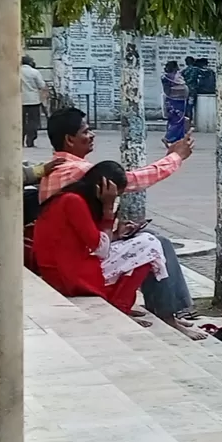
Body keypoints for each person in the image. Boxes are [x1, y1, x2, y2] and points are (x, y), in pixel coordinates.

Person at [43, 108, 200, 334]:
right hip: (73, 264)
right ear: (69, 139)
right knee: (155, 244)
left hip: (69, 253)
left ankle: (166, 309)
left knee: (149, 240)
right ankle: (168, 312)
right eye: (86, 131)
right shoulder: (78, 172)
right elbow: (133, 180)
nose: (92, 135)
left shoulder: (59, 168)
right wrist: (175, 157)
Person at [33, 161, 166, 316]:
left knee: (144, 244)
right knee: (149, 244)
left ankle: (123, 303)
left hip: (64, 269)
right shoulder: (73, 202)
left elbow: (91, 240)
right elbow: (101, 249)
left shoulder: (69, 197)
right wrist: (108, 210)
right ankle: (122, 305)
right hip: (69, 275)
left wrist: (116, 233)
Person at [21, 56, 48, 147]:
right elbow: (41, 85)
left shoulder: (17, 71)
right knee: (33, 121)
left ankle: (20, 140)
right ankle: (30, 141)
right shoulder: (34, 72)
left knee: (21, 121)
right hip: (33, 100)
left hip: (20, 100)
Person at [161, 61, 189, 143]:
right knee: (177, 120)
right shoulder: (170, 77)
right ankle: (169, 137)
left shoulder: (167, 77)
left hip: (175, 100)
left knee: (175, 120)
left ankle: (179, 138)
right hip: (176, 101)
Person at [181, 56, 202, 122]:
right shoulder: (196, 69)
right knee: (190, 105)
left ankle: (186, 119)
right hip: (192, 90)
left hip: (185, 90)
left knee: (186, 105)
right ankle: (189, 120)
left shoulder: (184, 71)